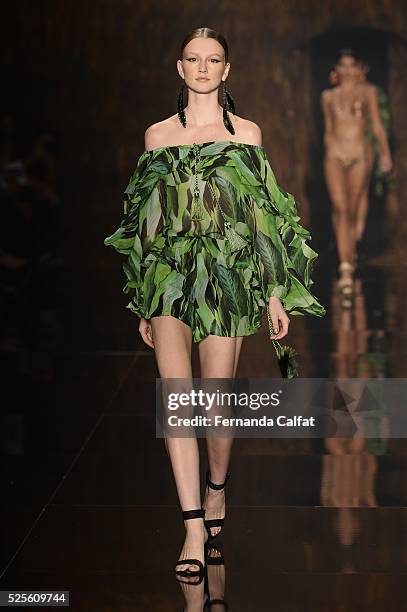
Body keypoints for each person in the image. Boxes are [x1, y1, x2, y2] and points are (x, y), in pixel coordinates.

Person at [104, 27, 326, 586]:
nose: (203, 68)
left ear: (226, 71)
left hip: (226, 281)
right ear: (179, 69)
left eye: (214, 60)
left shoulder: (247, 134)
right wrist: (142, 298)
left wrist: (273, 290)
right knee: (178, 402)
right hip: (168, 280)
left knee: (217, 405)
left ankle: (217, 488)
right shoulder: (156, 137)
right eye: (193, 60)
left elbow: (263, 218)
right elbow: (145, 224)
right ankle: (193, 527)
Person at [321, 48, 392, 301]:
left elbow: (377, 125)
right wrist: (329, 153)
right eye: (343, 65)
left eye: (352, 65)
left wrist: (385, 154)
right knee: (340, 209)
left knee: (351, 209)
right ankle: (346, 270)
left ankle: (350, 251)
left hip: (360, 154)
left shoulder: (368, 92)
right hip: (335, 156)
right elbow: (328, 130)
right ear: (336, 70)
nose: (347, 70)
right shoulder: (328, 96)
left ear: (359, 69)